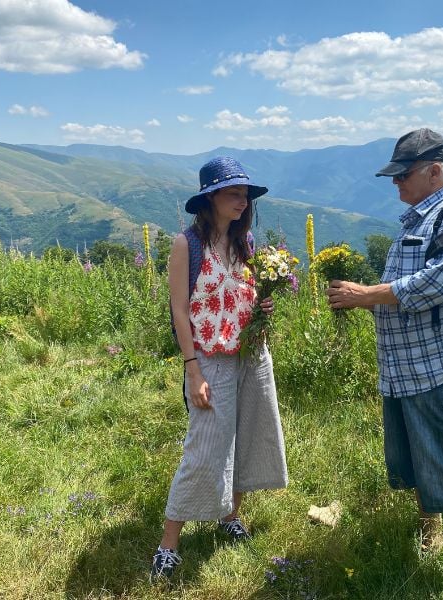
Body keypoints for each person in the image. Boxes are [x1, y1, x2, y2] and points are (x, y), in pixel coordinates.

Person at [326, 129, 443, 600]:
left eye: (403, 175)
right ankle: (432, 534)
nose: (396, 184)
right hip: (406, 367)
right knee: (415, 455)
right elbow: (407, 287)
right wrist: (363, 298)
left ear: (434, 172)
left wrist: (367, 295)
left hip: (441, 367)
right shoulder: (419, 216)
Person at [150, 156, 289, 582]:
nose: (242, 201)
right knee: (206, 444)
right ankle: (168, 544)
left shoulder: (244, 245)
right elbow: (179, 312)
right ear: (210, 198)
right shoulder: (186, 245)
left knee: (250, 433)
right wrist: (193, 369)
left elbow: (242, 295)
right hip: (210, 357)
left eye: (245, 194)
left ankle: (230, 514)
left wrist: (262, 302)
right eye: (233, 193)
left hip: (251, 353)